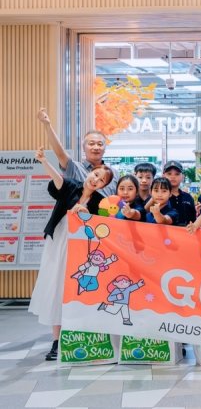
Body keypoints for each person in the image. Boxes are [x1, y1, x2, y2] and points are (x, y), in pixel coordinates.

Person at [29, 147, 113, 361]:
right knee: (55, 287)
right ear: (89, 174)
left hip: (81, 254)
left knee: (75, 290)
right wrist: (44, 162)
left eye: (101, 180)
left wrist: (88, 216)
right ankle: (56, 341)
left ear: (104, 185)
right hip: (57, 244)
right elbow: (58, 181)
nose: (96, 180)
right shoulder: (72, 186)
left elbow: (102, 230)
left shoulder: (99, 203)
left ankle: (76, 332)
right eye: (96, 175)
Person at [37, 107, 118, 197]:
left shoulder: (114, 174)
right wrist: (47, 125)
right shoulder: (75, 168)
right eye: (91, 144)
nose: (96, 147)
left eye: (100, 144)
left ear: (105, 149)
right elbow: (60, 153)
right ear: (83, 148)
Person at [161, 161, 196, 227]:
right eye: (169, 174)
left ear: (182, 177)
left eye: (177, 174)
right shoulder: (159, 197)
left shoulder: (188, 197)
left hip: (186, 235)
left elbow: (193, 220)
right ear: (163, 176)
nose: (173, 177)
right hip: (165, 235)